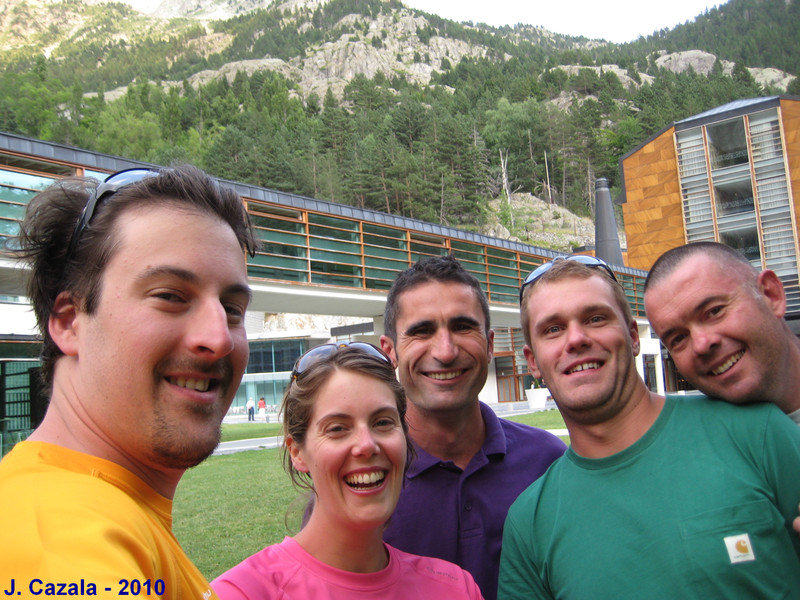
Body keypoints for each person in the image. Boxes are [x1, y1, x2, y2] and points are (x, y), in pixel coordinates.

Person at [0, 165, 256, 598]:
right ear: (68, 322)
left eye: (232, 308)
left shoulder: (114, 515)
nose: (218, 338)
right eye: (170, 296)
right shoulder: (62, 542)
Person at [499, 255, 800, 599]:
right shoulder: (529, 523)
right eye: (553, 329)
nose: (576, 338)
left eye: (596, 318)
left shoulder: (754, 432)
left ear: (633, 337)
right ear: (533, 361)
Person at [212, 342, 484, 599]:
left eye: (382, 422)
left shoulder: (455, 588)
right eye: (338, 428)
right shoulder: (242, 593)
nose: (366, 445)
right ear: (297, 452)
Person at [379, 255, 566, 600]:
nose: (446, 352)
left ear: (490, 344)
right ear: (390, 352)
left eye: (463, 327)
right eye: (422, 331)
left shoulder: (550, 463)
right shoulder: (361, 479)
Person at [644, 241, 800, 424]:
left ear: (771, 295)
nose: (701, 344)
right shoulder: (692, 446)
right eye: (678, 338)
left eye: (714, 311)